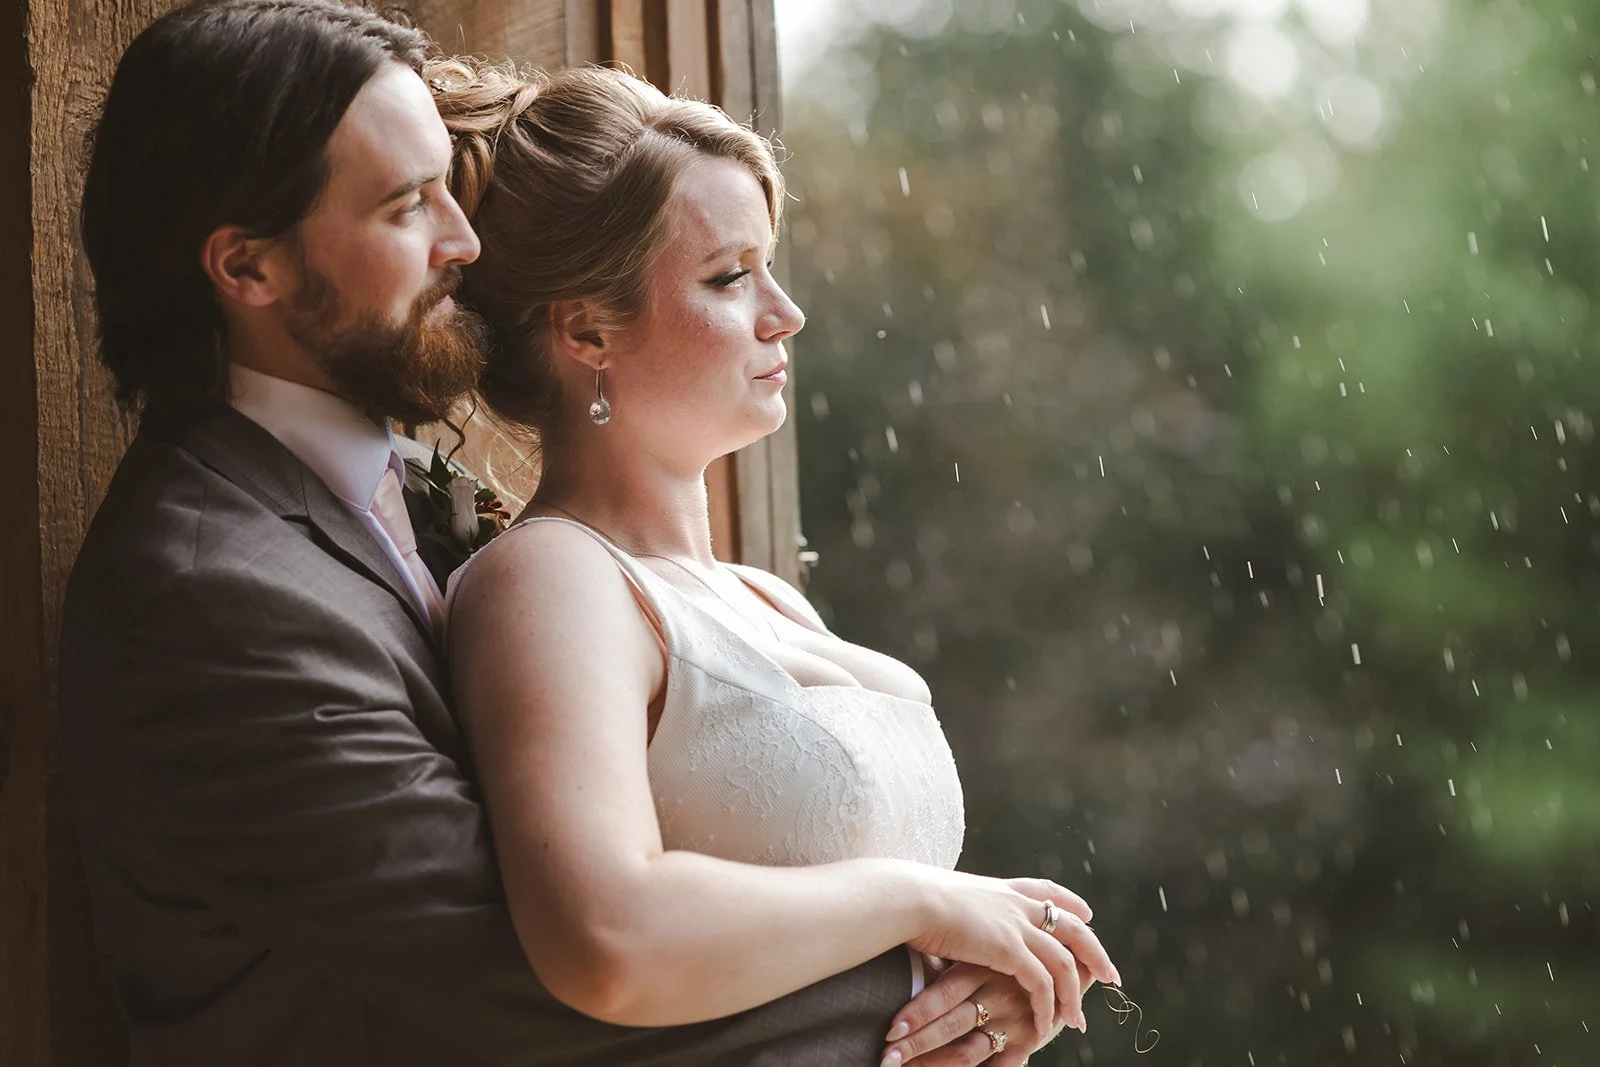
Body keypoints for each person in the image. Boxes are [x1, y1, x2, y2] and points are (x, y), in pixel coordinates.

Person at [57, 2, 1112, 1065]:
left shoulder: (421, 492)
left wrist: (996, 967)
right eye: (407, 206)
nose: (463, 242)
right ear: (249, 269)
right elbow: (530, 967)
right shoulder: (211, 589)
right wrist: (945, 960)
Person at [430, 58, 1119, 1067]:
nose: (783, 310)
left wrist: (991, 980)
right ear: (585, 328)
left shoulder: (768, 597)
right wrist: (924, 901)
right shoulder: (552, 581)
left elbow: (813, 933)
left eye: (769, 262)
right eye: (727, 275)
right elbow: (606, 935)